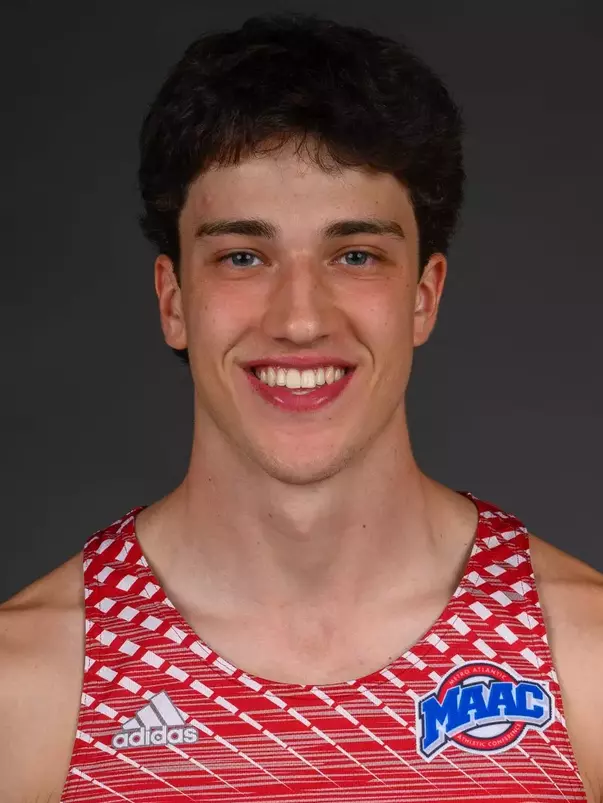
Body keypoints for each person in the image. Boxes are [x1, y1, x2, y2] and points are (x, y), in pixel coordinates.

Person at [1, 11, 601, 802]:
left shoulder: (582, 663)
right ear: (173, 298)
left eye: (355, 255)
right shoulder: (30, 687)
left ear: (422, 297)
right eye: (242, 256)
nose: (299, 318)